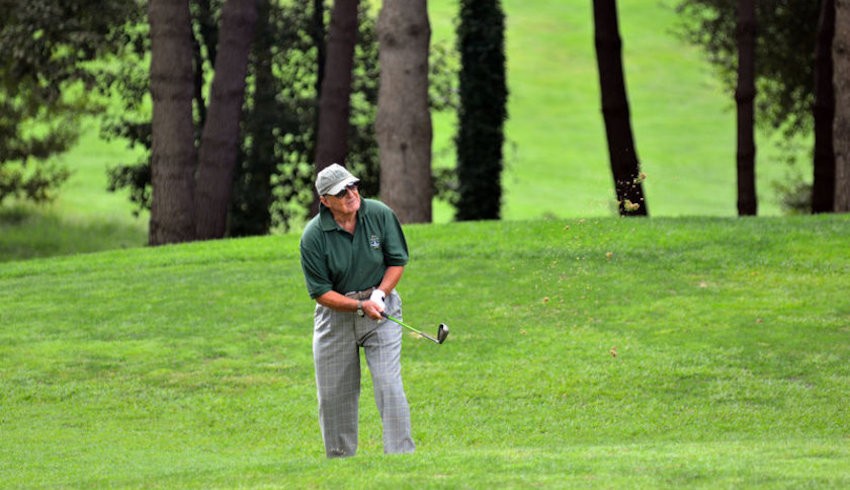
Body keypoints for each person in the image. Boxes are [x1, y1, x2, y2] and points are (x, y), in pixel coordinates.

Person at [299, 163, 416, 458]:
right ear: (325, 200)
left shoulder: (378, 213)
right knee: (334, 396)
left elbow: (396, 261)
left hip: (381, 306)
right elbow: (321, 293)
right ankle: (341, 462)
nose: (351, 193)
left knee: (389, 384)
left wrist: (379, 294)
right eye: (341, 191)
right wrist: (360, 306)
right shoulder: (313, 236)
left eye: (353, 186)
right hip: (336, 316)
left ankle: (401, 459)